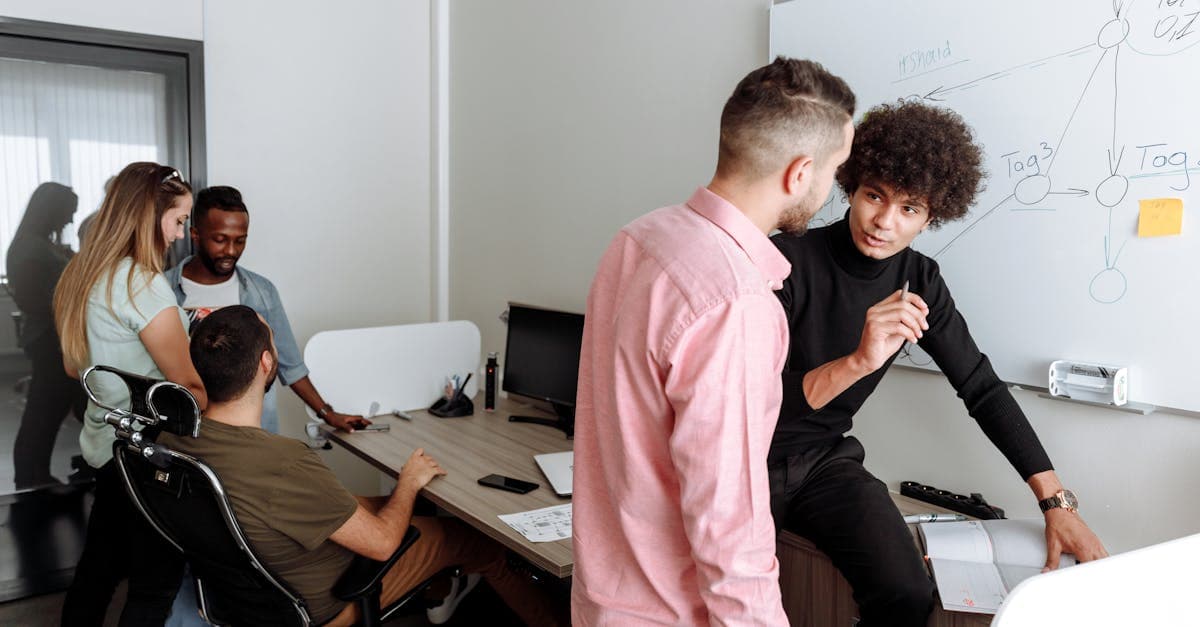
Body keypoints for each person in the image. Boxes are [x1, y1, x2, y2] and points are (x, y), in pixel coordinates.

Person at [769, 100, 1108, 626]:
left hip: (822, 462)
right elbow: (752, 404)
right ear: (851, 187)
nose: (883, 222)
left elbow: (981, 388)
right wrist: (858, 360)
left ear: (932, 216)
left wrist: (1055, 502)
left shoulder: (920, 280)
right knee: (731, 599)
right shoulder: (786, 261)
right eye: (873, 196)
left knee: (905, 593)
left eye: (910, 209)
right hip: (744, 459)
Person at [572, 56, 856, 625]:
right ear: (800, 174)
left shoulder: (640, 237)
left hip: (605, 601)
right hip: (673, 613)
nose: (834, 189)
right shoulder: (737, 303)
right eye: (836, 171)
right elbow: (729, 524)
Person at [157, 305, 563, 626]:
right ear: (266, 364)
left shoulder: (176, 438)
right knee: (478, 540)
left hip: (252, 593)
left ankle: (435, 594)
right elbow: (384, 542)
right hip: (326, 597)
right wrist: (408, 481)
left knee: (409, 511)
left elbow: (306, 504)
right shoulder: (284, 462)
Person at [53, 161, 208, 625]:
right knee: (153, 586)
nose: (182, 234)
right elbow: (189, 392)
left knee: (97, 572)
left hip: (106, 449)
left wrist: (176, 321)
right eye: (179, 220)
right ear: (149, 214)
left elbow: (74, 365)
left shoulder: (80, 277)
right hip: (149, 457)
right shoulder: (142, 283)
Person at [163, 186, 366, 434]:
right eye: (220, 239)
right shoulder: (164, 289)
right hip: (187, 430)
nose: (230, 251)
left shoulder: (262, 292)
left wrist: (327, 414)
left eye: (240, 240)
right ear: (195, 234)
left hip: (252, 436)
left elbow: (290, 365)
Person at [7, 182, 87, 490]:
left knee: (51, 409)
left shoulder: (40, 245)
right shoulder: (30, 248)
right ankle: (30, 477)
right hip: (48, 340)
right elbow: (33, 300)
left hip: (56, 338)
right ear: (50, 211)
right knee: (43, 410)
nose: (68, 221)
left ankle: (33, 475)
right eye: (67, 213)